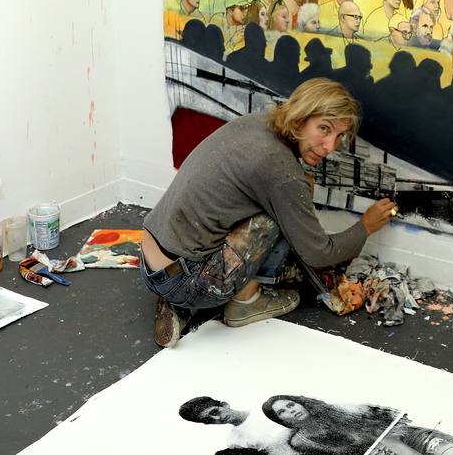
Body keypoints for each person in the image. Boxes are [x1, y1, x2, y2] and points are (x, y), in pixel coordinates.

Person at [140, 78, 397, 347]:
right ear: (300, 118)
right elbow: (319, 254)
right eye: (324, 128)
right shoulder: (281, 171)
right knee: (280, 210)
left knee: (287, 197)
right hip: (188, 279)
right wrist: (366, 226)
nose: (330, 146)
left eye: (339, 136)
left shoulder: (256, 122)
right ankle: (244, 302)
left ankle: (175, 300)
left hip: (150, 263)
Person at [261, 394, 401, 455]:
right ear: (281, 421)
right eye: (282, 412)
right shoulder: (299, 442)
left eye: (291, 405)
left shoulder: (334, 413)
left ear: (301, 404)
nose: (291, 410)